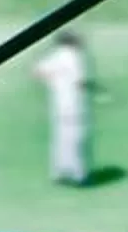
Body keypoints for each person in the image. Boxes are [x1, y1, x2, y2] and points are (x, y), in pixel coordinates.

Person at [32, 32, 93, 186]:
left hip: (59, 105)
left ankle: (60, 173)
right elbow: (80, 81)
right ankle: (79, 175)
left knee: (60, 139)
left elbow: (37, 71)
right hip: (75, 106)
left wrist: (53, 82)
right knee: (76, 139)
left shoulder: (56, 56)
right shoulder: (74, 56)